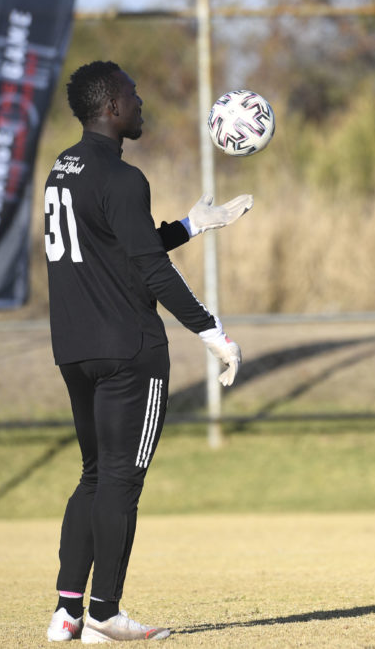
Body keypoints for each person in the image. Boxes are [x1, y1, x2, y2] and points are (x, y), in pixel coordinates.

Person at [43, 61, 252, 642]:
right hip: (130, 350)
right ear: (111, 106)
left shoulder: (63, 170)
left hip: (75, 349)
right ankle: (105, 613)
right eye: (133, 95)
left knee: (92, 475)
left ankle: (67, 613)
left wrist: (191, 224)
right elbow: (150, 272)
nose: (140, 102)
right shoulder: (124, 178)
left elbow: (119, 247)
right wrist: (213, 333)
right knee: (121, 481)